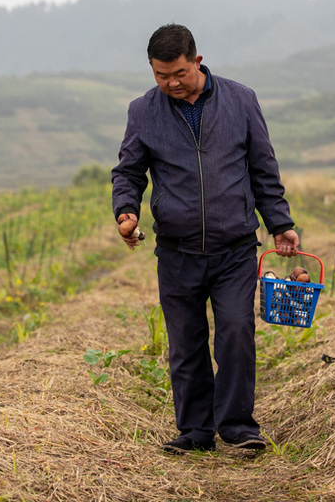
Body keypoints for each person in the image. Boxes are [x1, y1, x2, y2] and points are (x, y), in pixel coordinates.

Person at [111, 23, 300, 454]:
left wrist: (279, 222)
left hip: (233, 247)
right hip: (176, 251)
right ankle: (195, 431)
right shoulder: (143, 111)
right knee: (185, 341)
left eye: (178, 73)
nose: (171, 83)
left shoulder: (240, 100)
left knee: (235, 331)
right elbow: (128, 170)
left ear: (196, 61)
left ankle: (237, 426)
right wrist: (126, 209)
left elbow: (262, 169)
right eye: (161, 75)